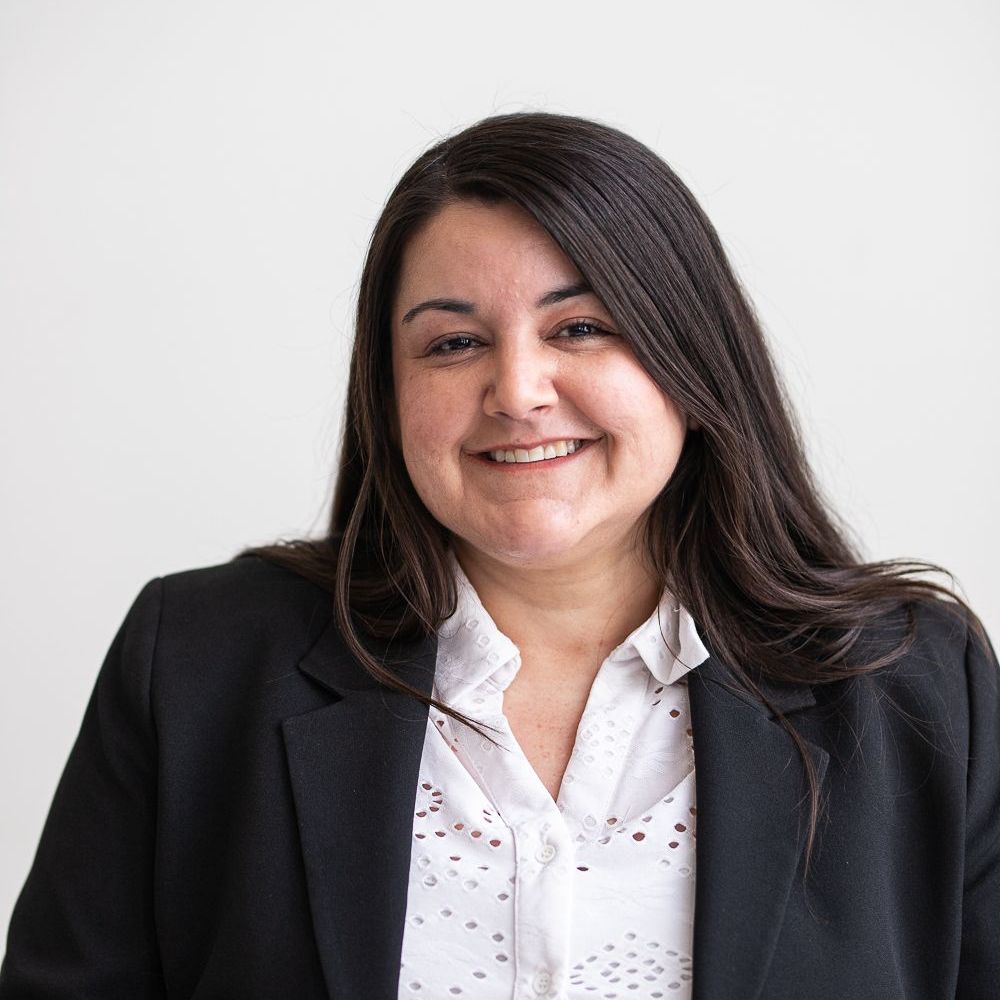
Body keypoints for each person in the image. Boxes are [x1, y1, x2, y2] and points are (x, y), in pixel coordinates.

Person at [1, 111, 997, 1000]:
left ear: (692, 363)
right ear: (388, 394)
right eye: (452, 344)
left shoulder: (917, 684)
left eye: (581, 327)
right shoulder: (197, 662)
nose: (518, 391)